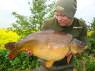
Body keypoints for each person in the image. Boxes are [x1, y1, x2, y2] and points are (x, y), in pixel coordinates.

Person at [32, 0, 87, 71]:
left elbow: (84, 45)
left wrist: (72, 52)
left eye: (63, 15)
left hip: (66, 66)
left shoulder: (81, 26)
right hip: (45, 65)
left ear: (71, 14)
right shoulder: (48, 24)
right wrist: (32, 48)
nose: (59, 19)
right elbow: (39, 42)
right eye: (57, 15)